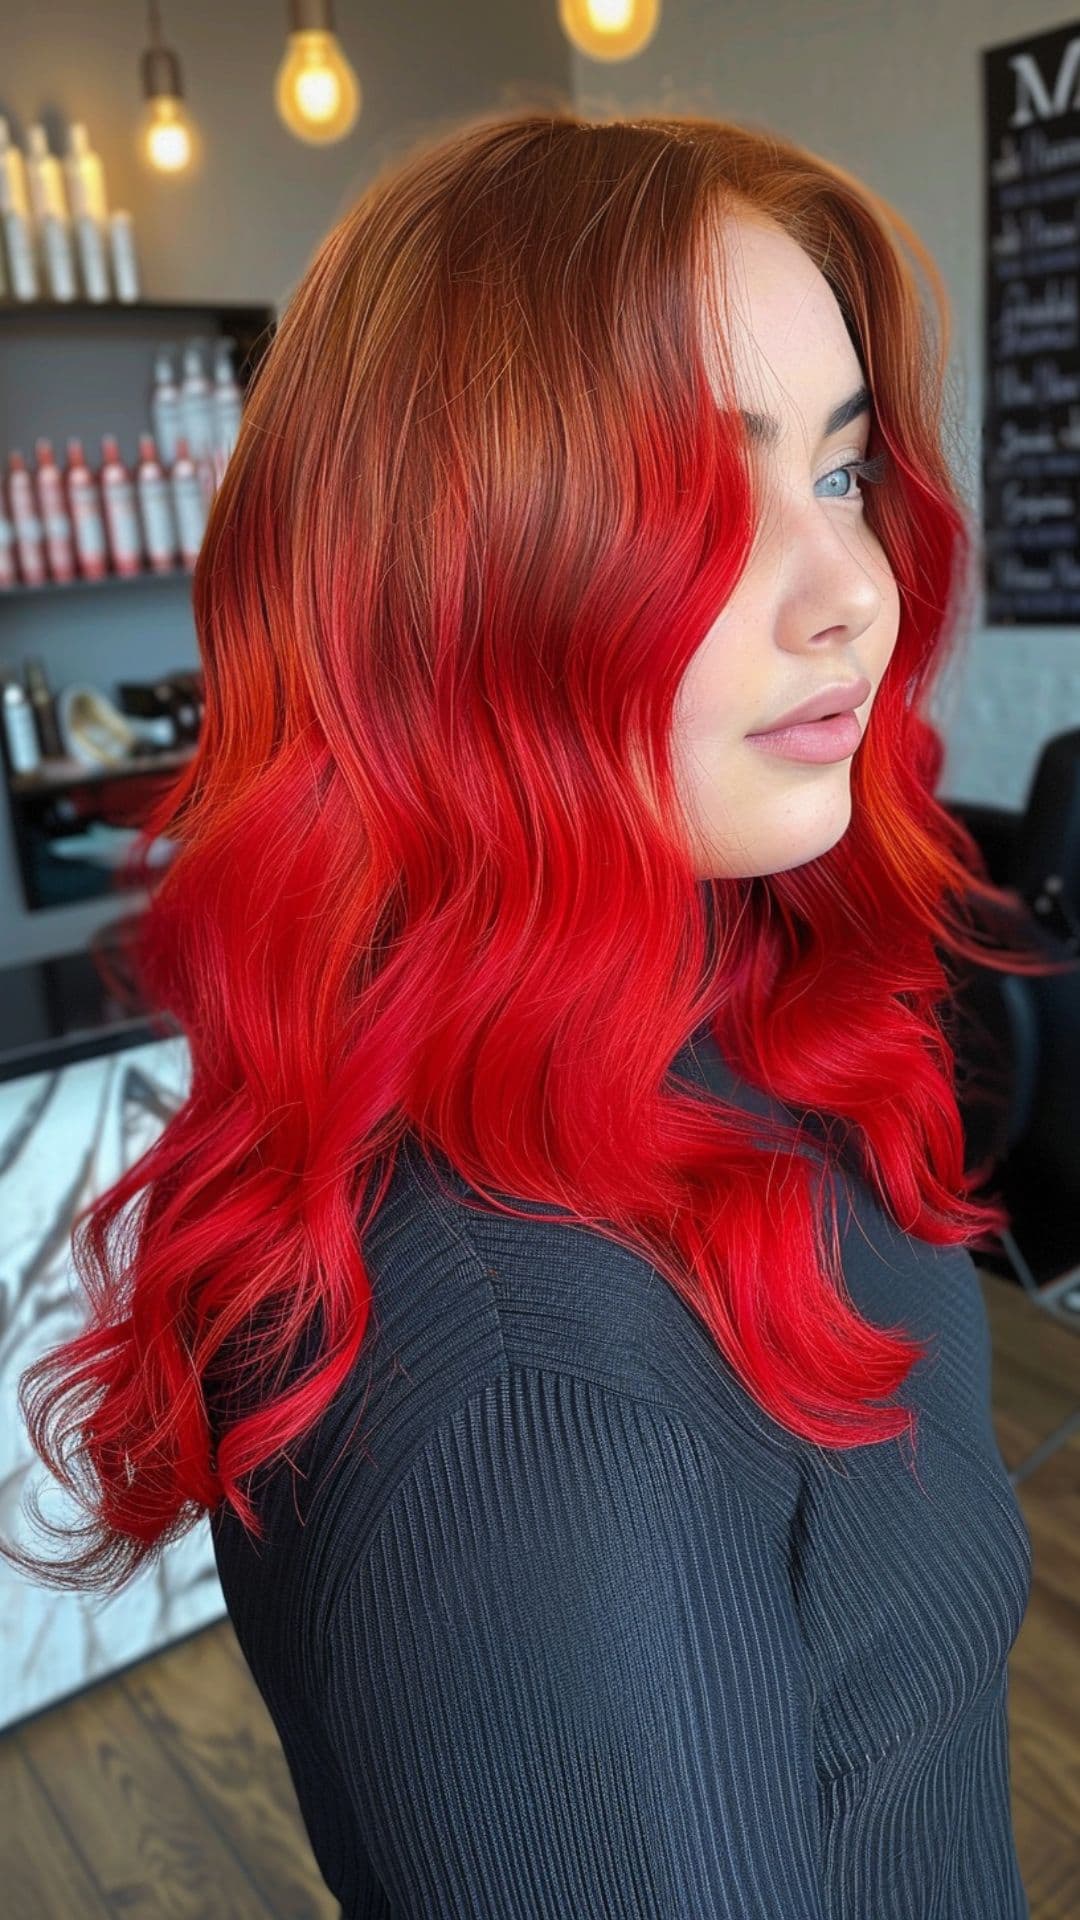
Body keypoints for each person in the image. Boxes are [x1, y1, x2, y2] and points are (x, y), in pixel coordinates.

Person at [8, 106, 1056, 1918]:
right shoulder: (539, 1408)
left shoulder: (748, 996)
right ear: (451, 591)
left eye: (836, 471)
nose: (857, 593)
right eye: (702, 505)